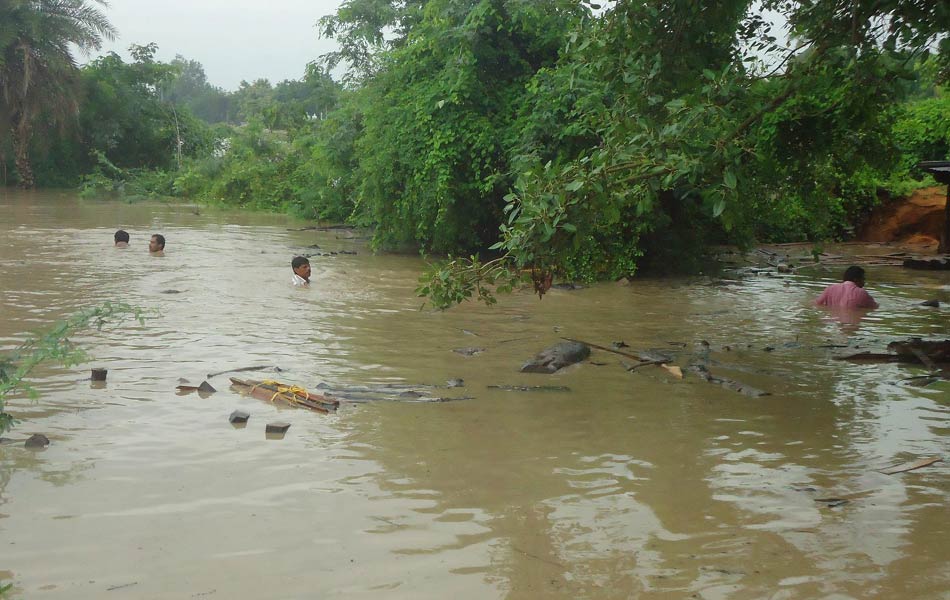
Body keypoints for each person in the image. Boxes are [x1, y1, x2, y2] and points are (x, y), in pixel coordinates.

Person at [814, 266, 878, 309]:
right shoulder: (862, 293)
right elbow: (875, 307)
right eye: (863, 279)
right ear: (856, 279)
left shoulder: (830, 288)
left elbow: (817, 303)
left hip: (833, 320)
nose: (864, 282)